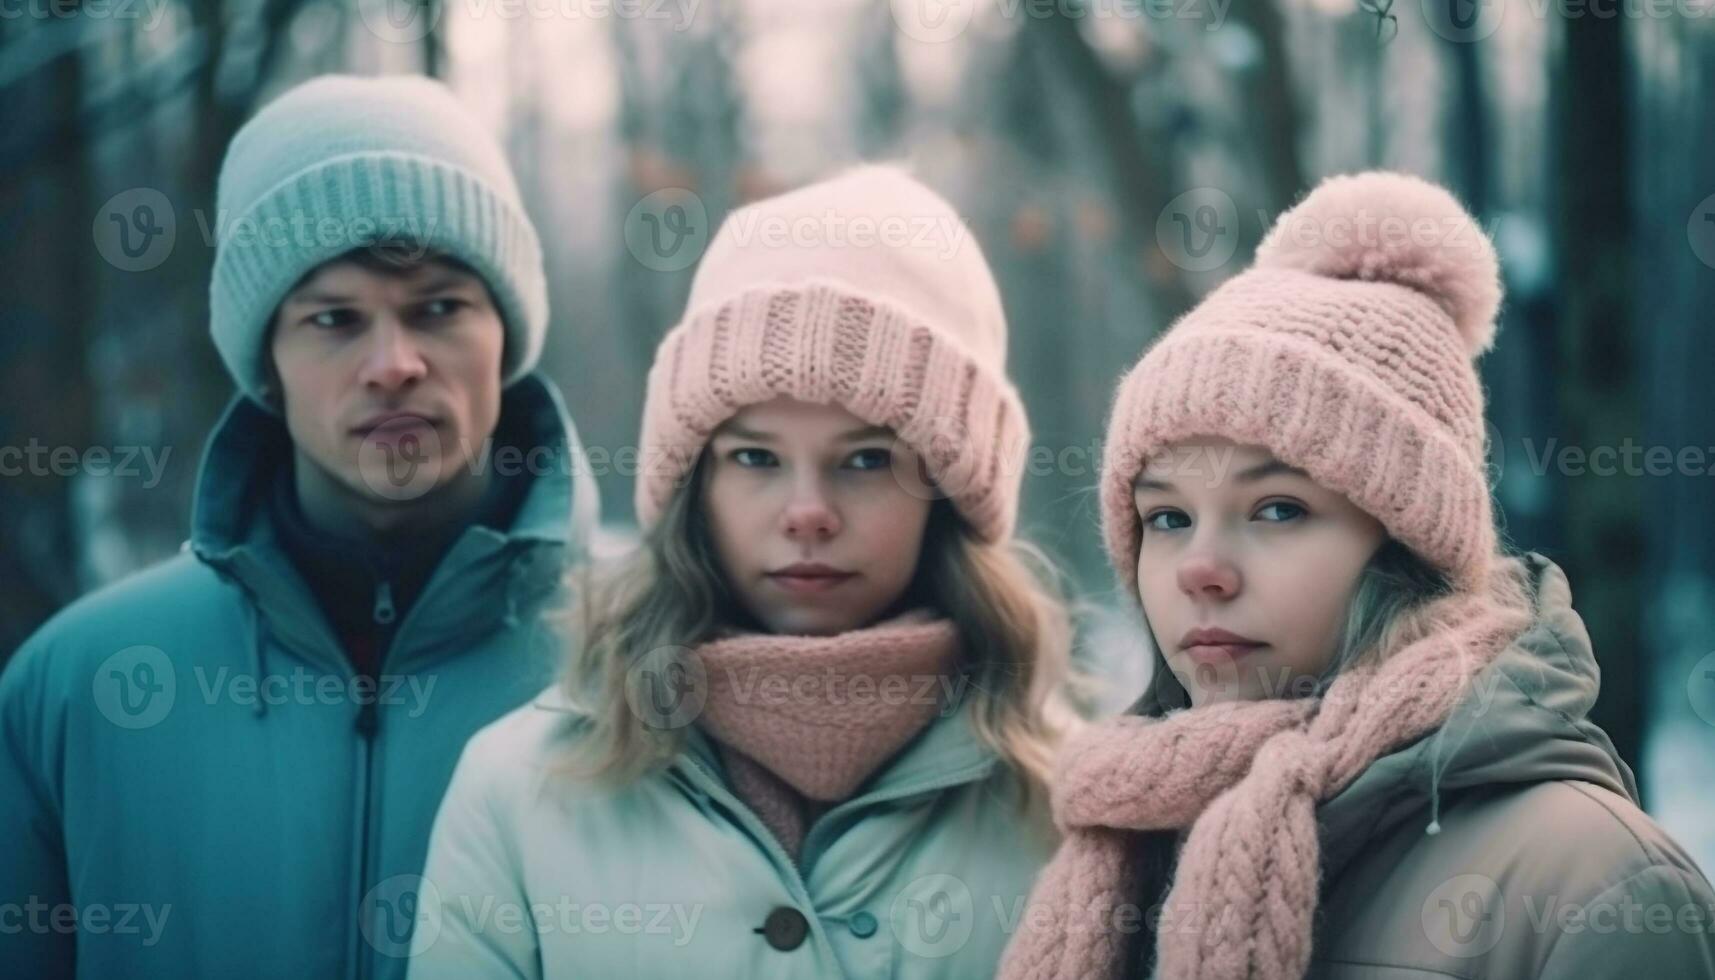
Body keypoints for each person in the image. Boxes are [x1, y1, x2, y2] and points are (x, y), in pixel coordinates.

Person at [999, 171, 1715, 979]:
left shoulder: (1596, 892)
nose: (1199, 569)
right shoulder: (1122, 855)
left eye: (1276, 509)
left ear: (1407, 544)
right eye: (1166, 517)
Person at [408, 165, 1078, 978]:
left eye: (866, 459)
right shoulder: (520, 786)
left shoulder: (1072, 802)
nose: (807, 511)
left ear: (948, 490)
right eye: (755, 456)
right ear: (697, 483)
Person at [0, 74, 599, 980]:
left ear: (505, 338)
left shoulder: (644, 656)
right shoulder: (77, 686)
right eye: (333, 319)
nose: (393, 364)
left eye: (438, 307)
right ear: (267, 362)